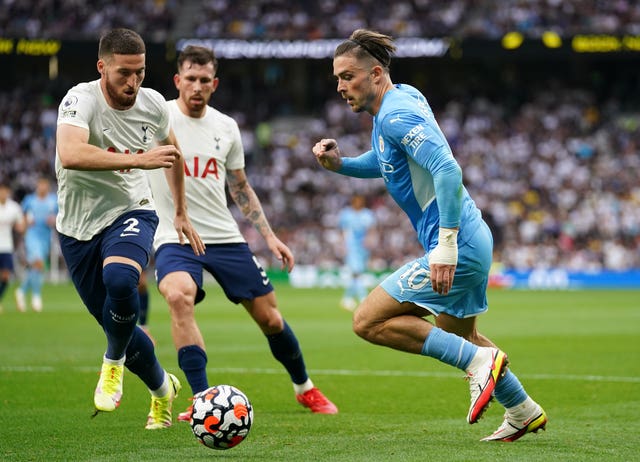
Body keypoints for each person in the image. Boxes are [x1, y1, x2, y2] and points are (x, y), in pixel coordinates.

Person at [312, 29, 546, 442]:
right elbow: (387, 162)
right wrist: (342, 165)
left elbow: (448, 169)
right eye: (337, 78)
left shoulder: (397, 114)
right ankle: (522, 410)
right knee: (462, 338)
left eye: (348, 76)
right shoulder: (398, 103)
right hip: (472, 239)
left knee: (367, 321)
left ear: (376, 73)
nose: (340, 87)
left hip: (458, 244)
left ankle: (479, 363)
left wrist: (446, 245)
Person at [146, 45, 338, 420]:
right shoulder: (158, 117)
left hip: (225, 236)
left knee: (270, 318)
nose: (197, 86)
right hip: (175, 235)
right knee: (178, 297)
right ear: (177, 81)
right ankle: (203, 402)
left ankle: (305, 388)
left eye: (204, 80)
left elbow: (240, 187)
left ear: (214, 83)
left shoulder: (226, 127)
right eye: (190, 79)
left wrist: (268, 236)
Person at [55, 28, 205, 430]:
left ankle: (111, 363)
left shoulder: (154, 103)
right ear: (102, 67)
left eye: (140, 71)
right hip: (77, 227)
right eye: (124, 72)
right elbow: (69, 154)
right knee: (116, 320)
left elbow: (171, 155)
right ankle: (162, 390)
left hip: (132, 210)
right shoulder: (79, 99)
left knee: (122, 281)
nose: (133, 81)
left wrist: (181, 213)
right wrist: (140, 160)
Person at [15, 177, 58, 312]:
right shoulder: (29, 200)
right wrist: (24, 223)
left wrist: (54, 220)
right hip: (32, 236)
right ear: (37, 186)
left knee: (37, 267)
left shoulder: (53, 201)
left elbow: (60, 217)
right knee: (38, 263)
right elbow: (21, 216)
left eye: (45, 185)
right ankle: (36, 296)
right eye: (40, 185)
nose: (42, 187)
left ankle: (21, 291)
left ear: (48, 186)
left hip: (46, 236)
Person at [338, 194, 376, 311]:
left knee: (358, 272)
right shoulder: (346, 214)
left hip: (363, 247)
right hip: (351, 247)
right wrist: (342, 245)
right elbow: (342, 230)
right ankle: (363, 297)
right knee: (356, 272)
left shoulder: (368, 214)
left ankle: (347, 298)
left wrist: (371, 242)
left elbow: (371, 230)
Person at [0, 183, 25, 313]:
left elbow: (20, 225)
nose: (3, 194)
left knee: (5, 276)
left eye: (5, 191)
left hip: (6, 246)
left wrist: (22, 227)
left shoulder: (14, 207)